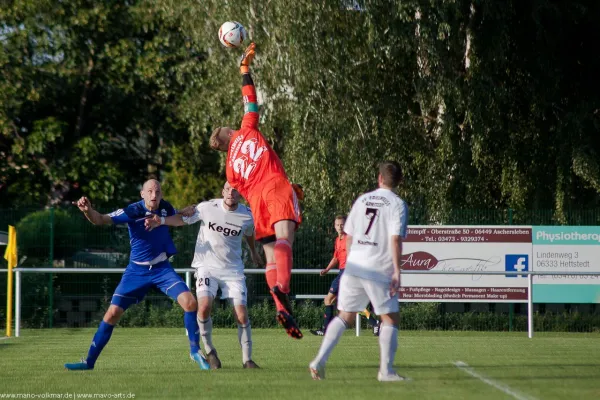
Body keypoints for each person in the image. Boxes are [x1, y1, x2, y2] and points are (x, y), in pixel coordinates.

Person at [209, 43, 303, 339]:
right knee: (286, 241)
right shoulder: (246, 129)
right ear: (226, 135)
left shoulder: (229, 170)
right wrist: (244, 69)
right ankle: (283, 291)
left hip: (257, 202)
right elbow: (251, 100)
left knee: (272, 259)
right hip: (275, 186)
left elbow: (236, 193)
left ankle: (280, 305)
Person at [65, 179, 210, 371]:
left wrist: (185, 211)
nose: (154, 196)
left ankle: (194, 352)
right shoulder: (132, 211)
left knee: (190, 302)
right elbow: (100, 219)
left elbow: (178, 219)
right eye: (149, 191)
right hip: (136, 271)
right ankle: (89, 362)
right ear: (142, 194)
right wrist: (87, 211)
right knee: (112, 314)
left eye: (157, 192)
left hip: (161, 269)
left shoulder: (165, 208)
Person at [309, 161, 409, 382]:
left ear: (379, 178)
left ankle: (319, 361)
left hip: (353, 266)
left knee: (344, 315)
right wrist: (397, 271)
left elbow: (350, 235)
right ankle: (386, 372)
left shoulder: (362, 200)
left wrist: (354, 258)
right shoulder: (398, 204)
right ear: (399, 181)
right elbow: (395, 239)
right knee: (390, 319)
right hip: (378, 268)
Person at [145, 182, 261, 369]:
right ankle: (210, 352)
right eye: (228, 189)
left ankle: (247, 360)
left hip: (233, 271)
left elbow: (249, 233)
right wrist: (162, 221)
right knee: (204, 306)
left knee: (241, 314)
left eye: (235, 190)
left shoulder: (247, 215)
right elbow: (182, 220)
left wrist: (254, 252)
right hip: (206, 267)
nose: (231, 192)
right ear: (222, 191)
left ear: (241, 194)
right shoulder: (207, 208)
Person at [310, 216, 380, 337]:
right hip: (344, 272)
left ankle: (326, 330)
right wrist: (327, 269)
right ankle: (375, 323)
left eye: (342, 224)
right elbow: (336, 257)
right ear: (334, 226)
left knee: (328, 300)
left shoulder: (349, 239)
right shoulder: (338, 240)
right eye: (337, 225)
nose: (339, 227)